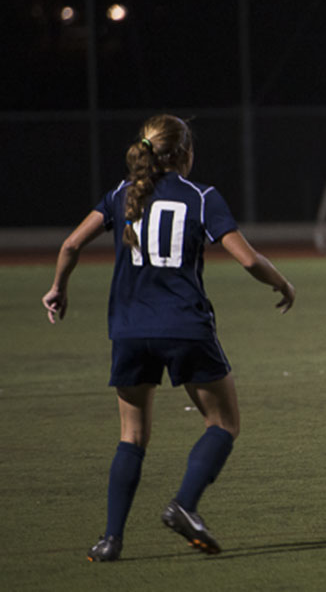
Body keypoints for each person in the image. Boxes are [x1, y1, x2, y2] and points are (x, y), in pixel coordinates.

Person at [42, 114, 296, 562]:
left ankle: (110, 540)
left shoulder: (123, 194)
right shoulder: (201, 197)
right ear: (183, 154)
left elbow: (69, 246)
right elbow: (248, 259)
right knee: (224, 424)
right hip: (184, 327)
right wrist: (282, 284)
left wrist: (58, 288)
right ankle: (183, 504)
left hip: (129, 330)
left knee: (132, 437)